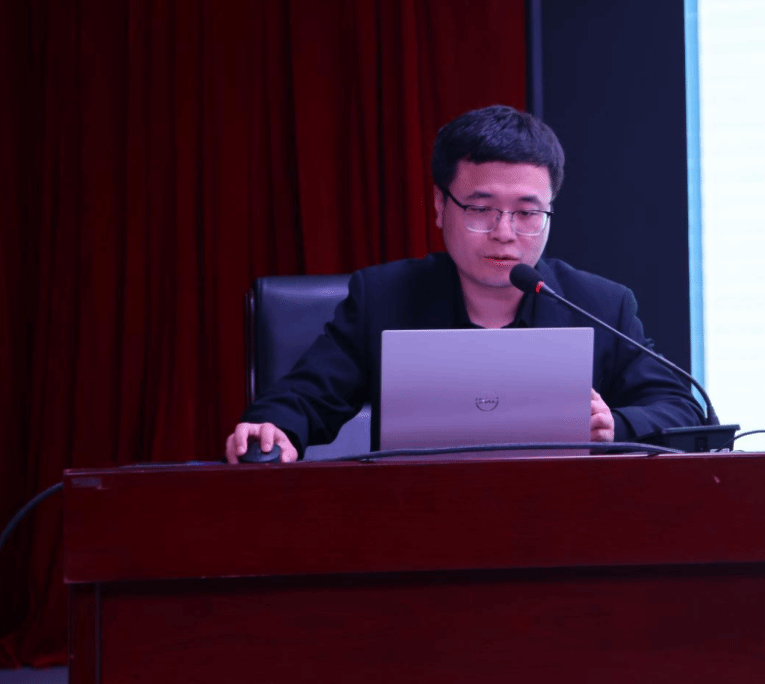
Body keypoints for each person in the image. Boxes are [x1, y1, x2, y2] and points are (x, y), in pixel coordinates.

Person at [226, 105, 705, 463]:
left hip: (562, 528)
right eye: (481, 209)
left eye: (527, 213)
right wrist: (274, 427)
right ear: (440, 206)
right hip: (417, 524)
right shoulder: (384, 298)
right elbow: (305, 396)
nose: (504, 232)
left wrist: (615, 425)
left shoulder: (598, 304)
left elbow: (683, 413)